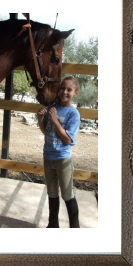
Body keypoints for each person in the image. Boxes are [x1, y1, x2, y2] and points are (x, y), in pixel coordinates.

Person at [37, 76, 81, 228]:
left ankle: (74, 228)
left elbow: (68, 140)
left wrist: (55, 121)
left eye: (69, 89)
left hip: (63, 160)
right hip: (48, 157)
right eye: (62, 88)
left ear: (75, 92)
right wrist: (40, 119)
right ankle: (53, 225)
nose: (64, 92)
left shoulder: (73, 114)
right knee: (52, 194)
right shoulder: (52, 108)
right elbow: (46, 131)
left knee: (68, 195)